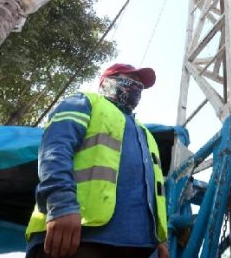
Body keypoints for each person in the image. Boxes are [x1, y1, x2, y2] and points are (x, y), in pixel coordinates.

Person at [25, 63, 169, 258]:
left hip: (137, 246)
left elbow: (153, 192)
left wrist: (161, 239)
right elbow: (55, 149)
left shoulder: (145, 134)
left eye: (140, 84)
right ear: (107, 81)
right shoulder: (84, 102)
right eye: (130, 79)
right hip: (77, 236)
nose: (136, 87)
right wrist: (61, 205)